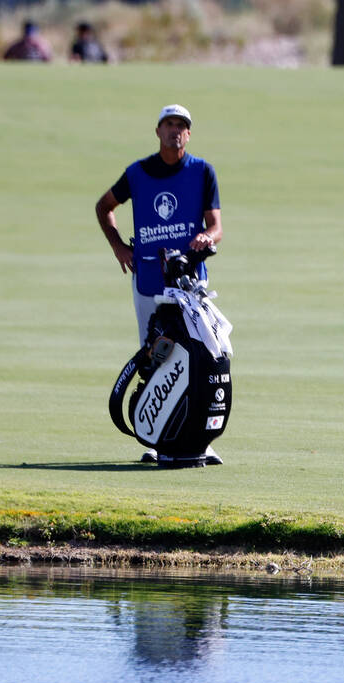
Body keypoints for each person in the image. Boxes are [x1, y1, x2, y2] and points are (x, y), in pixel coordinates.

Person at [95, 104, 223, 461]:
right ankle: (155, 441)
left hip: (190, 283)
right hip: (149, 279)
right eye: (169, 124)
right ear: (158, 131)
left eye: (181, 126)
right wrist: (119, 247)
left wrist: (206, 238)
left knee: (197, 359)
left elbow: (216, 226)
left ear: (189, 134)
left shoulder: (202, 172)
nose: (175, 131)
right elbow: (104, 206)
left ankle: (199, 440)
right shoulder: (138, 173)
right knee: (155, 358)